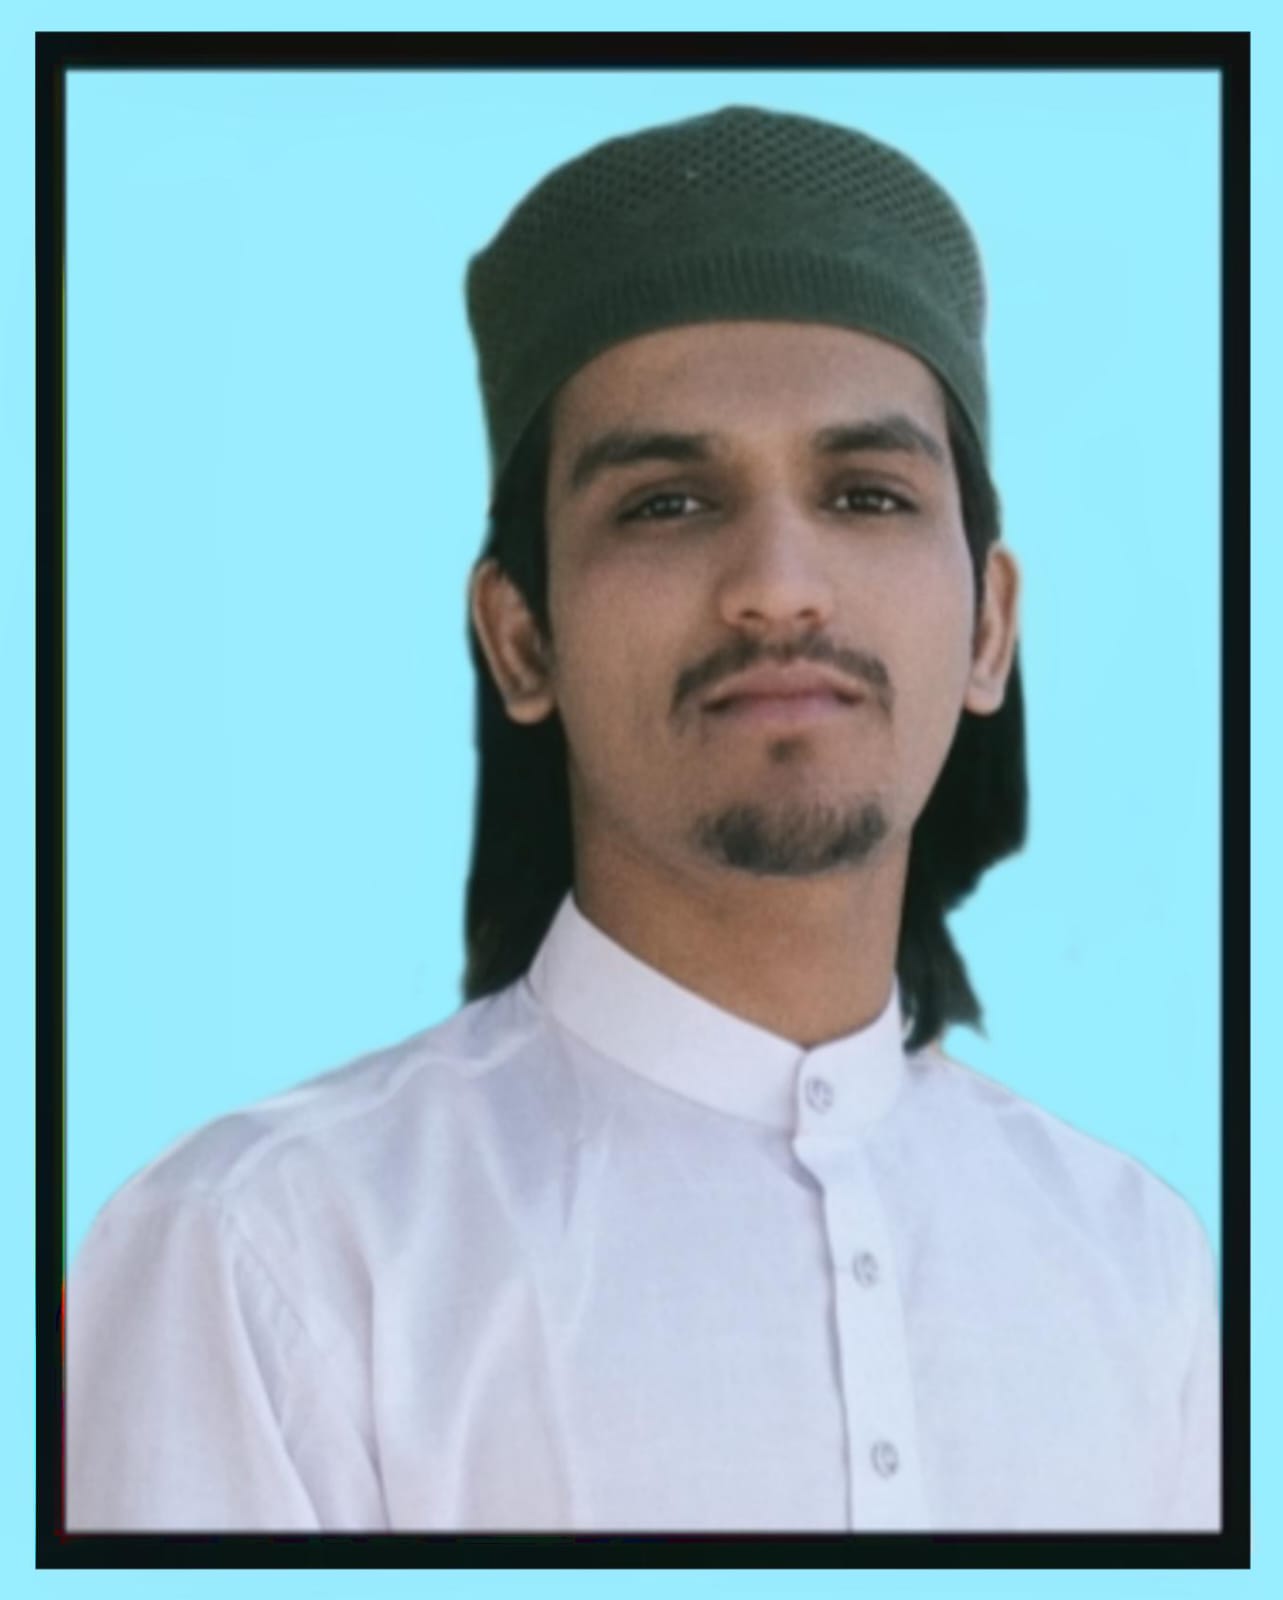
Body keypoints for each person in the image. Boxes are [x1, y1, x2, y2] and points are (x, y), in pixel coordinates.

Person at [65, 105, 1220, 1533]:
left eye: (866, 495)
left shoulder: (1137, 1268)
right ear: (521, 638)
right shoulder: (272, 1259)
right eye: (668, 503)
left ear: (989, 627)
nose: (778, 585)